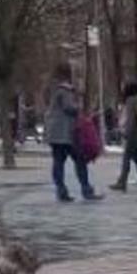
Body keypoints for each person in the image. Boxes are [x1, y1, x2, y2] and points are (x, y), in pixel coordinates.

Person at [43, 63, 103, 202]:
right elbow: (69, 108)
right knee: (80, 160)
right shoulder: (65, 90)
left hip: (54, 132)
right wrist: (80, 108)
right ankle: (86, 190)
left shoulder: (52, 89)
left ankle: (61, 191)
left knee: (58, 162)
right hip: (66, 132)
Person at [110, 82, 137, 192]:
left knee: (127, 157)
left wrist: (126, 133)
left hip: (135, 134)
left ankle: (122, 182)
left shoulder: (131, 101)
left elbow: (131, 120)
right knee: (135, 155)